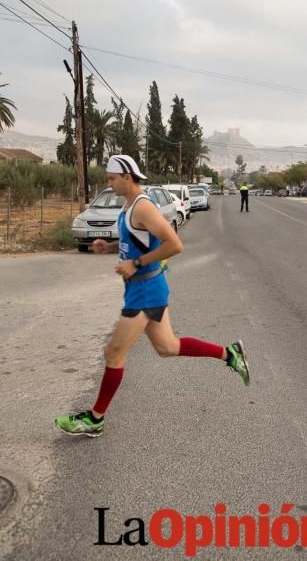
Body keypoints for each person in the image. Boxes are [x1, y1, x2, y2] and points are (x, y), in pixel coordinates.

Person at [55, 155, 250, 438]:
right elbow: (138, 241)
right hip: (144, 288)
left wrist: (135, 264)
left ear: (126, 177)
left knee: (113, 353)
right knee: (167, 347)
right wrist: (109, 246)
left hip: (146, 290)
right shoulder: (129, 205)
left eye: (111, 179)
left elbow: (174, 244)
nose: (108, 184)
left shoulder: (143, 206)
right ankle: (229, 353)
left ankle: (95, 418)